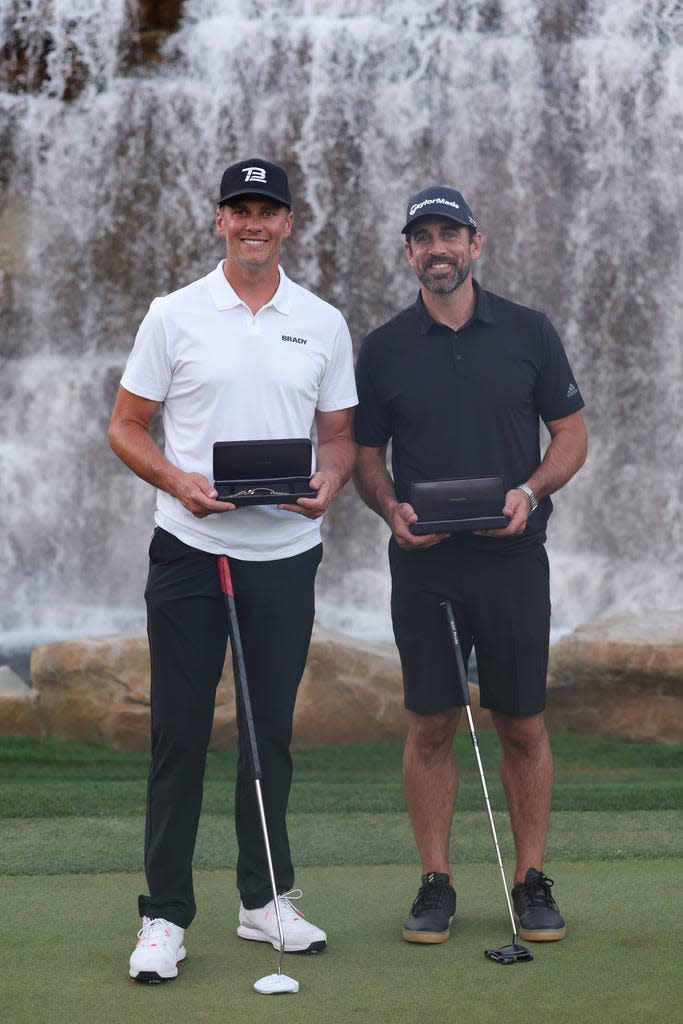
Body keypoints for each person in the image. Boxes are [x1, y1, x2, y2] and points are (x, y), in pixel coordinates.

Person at [108, 157, 357, 983]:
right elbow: (127, 426)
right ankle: (164, 918)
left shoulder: (321, 321)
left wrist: (330, 480)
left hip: (284, 554)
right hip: (189, 550)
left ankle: (265, 900)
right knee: (178, 732)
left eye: (269, 211)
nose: (255, 222)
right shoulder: (173, 315)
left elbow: (338, 435)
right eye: (240, 209)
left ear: (289, 223)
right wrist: (179, 481)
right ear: (219, 219)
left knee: (268, 734)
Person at [353, 185, 588, 946]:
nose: (436, 248)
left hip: (513, 556)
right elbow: (364, 457)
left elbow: (570, 436)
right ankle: (435, 884)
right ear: (408, 252)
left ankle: (529, 880)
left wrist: (528, 490)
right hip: (424, 564)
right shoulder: (383, 346)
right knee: (429, 724)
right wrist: (389, 511)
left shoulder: (528, 330)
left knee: (521, 723)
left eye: (447, 233)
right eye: (421, 237)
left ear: (475, 242)